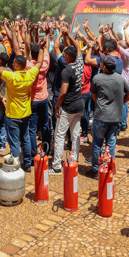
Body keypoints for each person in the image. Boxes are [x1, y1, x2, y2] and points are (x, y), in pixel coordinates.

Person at [0, 45, 39, 172]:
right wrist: (42, 47)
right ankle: (27, 164)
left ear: (17, 65)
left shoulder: (12, 77)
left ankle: (16, 165)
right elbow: (39, 62)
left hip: (13, 115)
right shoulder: (30, 74)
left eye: (14, 62)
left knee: (14, 142)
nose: (12, 63)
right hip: (26, 114)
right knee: (26, 139)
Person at [87, 55, 129, 176]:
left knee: (97, 143)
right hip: (115, 116)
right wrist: (120, 102)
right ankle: (109, 168)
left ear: (105, 68)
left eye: (101, 63)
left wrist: (101, 104)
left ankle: (96, 170)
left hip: (101, 116)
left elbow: (94, 96)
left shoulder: (97, 78)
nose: (100, 64)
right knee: (111, 143)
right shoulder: (120, 78)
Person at [50, 44, 85, 175]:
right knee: (75, 134)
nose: (63, 56)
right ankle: (74, 161)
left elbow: (63, 92)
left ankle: (56, 166)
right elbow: (80, 51)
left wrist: (57, 106)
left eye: (64, 54)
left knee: (59, 135)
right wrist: (70, 38)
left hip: (68, 106)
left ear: (68, 56)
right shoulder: (80, 64)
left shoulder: (67, 70)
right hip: (79, 105)